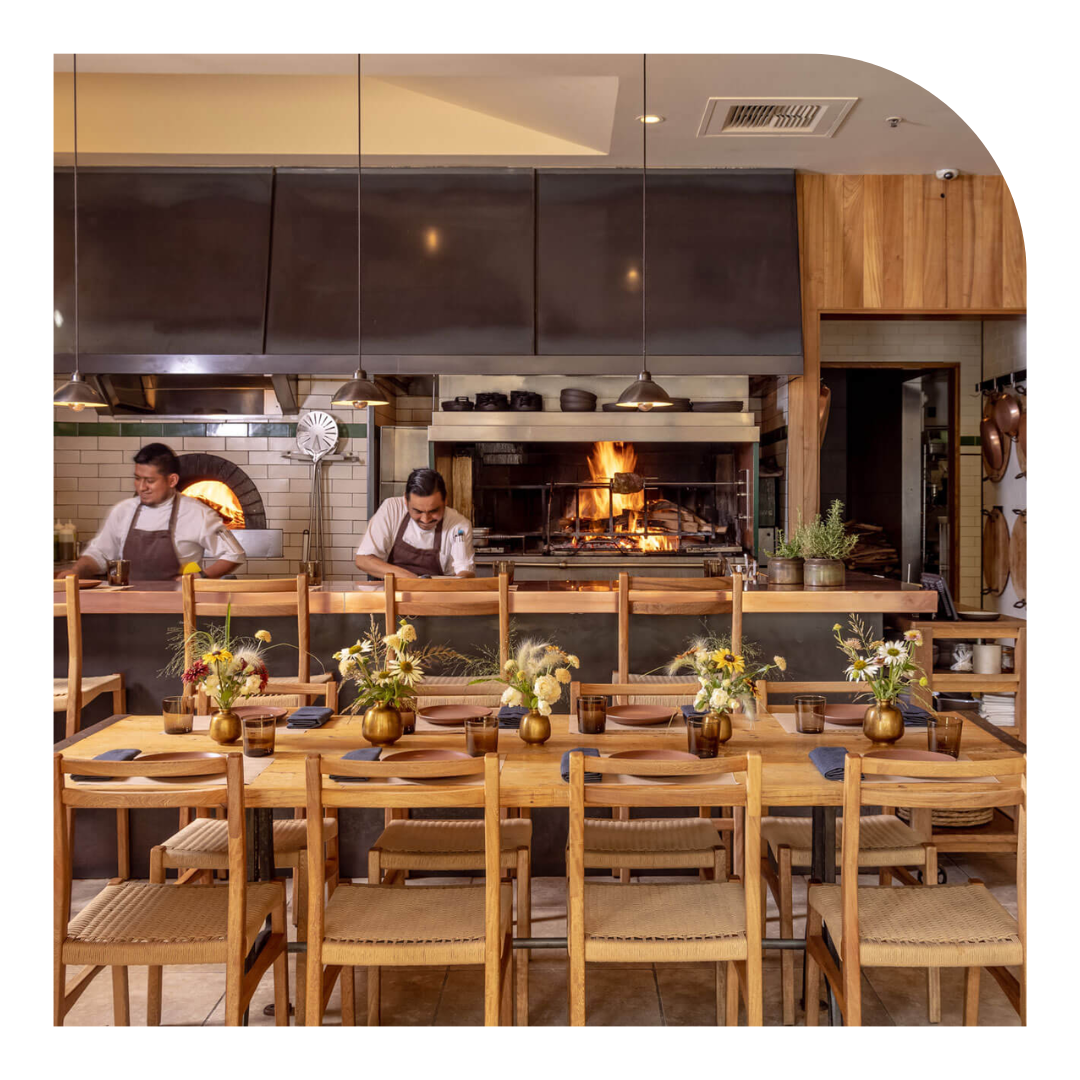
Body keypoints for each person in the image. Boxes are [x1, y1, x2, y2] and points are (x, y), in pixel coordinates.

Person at [60, 443, 246, 581]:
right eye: (137, 479)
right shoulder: (123, 511)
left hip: (178, 606)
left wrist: (201, 577)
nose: (142, 487)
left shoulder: (197, 513)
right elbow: (99, 554)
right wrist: (74, 573)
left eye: (149, 480)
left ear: (172, 480)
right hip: (127, 605)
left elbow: (234, 554)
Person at [354, 467, 475, 579]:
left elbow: (465, 572)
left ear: (445, 501)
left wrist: (460, 581)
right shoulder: (391, 509)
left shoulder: (459, 526)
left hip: (438, 596)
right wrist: (412, 579)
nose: (425, 519)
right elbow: (363, 559)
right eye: (417, 511)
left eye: (434, 511)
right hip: (391, 594)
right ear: (406, 501)